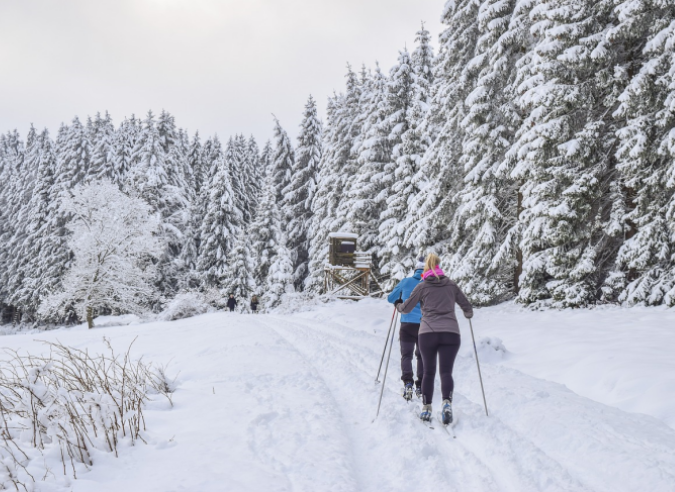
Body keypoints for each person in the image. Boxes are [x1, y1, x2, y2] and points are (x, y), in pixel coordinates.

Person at [395, 253, 473, 426]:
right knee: (446, 372)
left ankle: (427, 407)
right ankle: (446, 403)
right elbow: (467, 307)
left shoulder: (422, 286)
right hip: (451, 333)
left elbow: (406, 308)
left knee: (429, 372)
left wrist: (398, 305)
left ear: (426, 269)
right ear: (439, 266)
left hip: (428, 332)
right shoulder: (451, 285)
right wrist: (467, 313)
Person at [387, 256, 425, 401]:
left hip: (407, 325)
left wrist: (399, 300)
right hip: (424, 325)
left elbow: (391, 298)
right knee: (421, 356)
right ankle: (420, 385)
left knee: (406, 355)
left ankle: (408, 383)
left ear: (415, 270)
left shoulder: (406, 281)